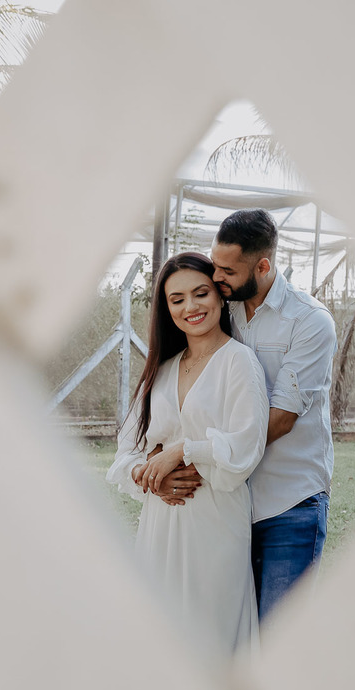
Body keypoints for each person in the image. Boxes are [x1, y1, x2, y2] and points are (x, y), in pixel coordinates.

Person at [105, 252, 269, 655]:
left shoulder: (239, 362)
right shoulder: (161, 370)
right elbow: (126, 455)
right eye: (177, 299)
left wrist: (181, 450)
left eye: (201, 293)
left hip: (215, 523)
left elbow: (245, 448)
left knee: (212, 640)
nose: (190, 306)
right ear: (166, 308)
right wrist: (151, 477)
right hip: (160, 525)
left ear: (219, 295)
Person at [210, 208, 337, 621]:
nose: (216, 278)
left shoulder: (310, 321)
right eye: (215, 265)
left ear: (263, 267)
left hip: (291, 504)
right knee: (235, 635)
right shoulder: (221, 309)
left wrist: (201, 457)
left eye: (228, 270)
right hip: (230, 502)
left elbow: (281, 418)